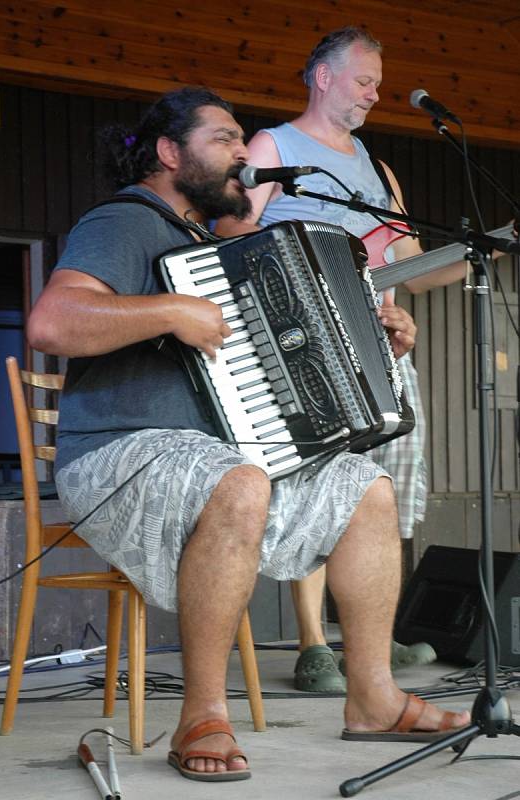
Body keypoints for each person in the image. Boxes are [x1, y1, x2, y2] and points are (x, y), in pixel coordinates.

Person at [27, 86, 469, 783]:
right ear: (169, 153)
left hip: (220, 460)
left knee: (367, 488)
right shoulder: (127, 222)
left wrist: (378, 336)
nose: (243, 153)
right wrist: (171, 308)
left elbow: (276, 368)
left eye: (243, 141)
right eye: (225, 139)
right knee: (239, 478)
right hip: (118, 455)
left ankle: (374, 697)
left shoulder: (218, 246)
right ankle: (203, 712)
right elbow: (53, 323)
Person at [215, 26, 471, 693]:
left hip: (378, 340)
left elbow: (407, 267)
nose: (375, 95)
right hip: (304, 346)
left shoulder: (375, 166)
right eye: (365, 81)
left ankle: (370, 639)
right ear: (323, 77)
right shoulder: (274, 145)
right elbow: (233, 232)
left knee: (382, 490)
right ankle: (311, 644)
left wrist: (482, 252)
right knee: (319, 485)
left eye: (378, 84)